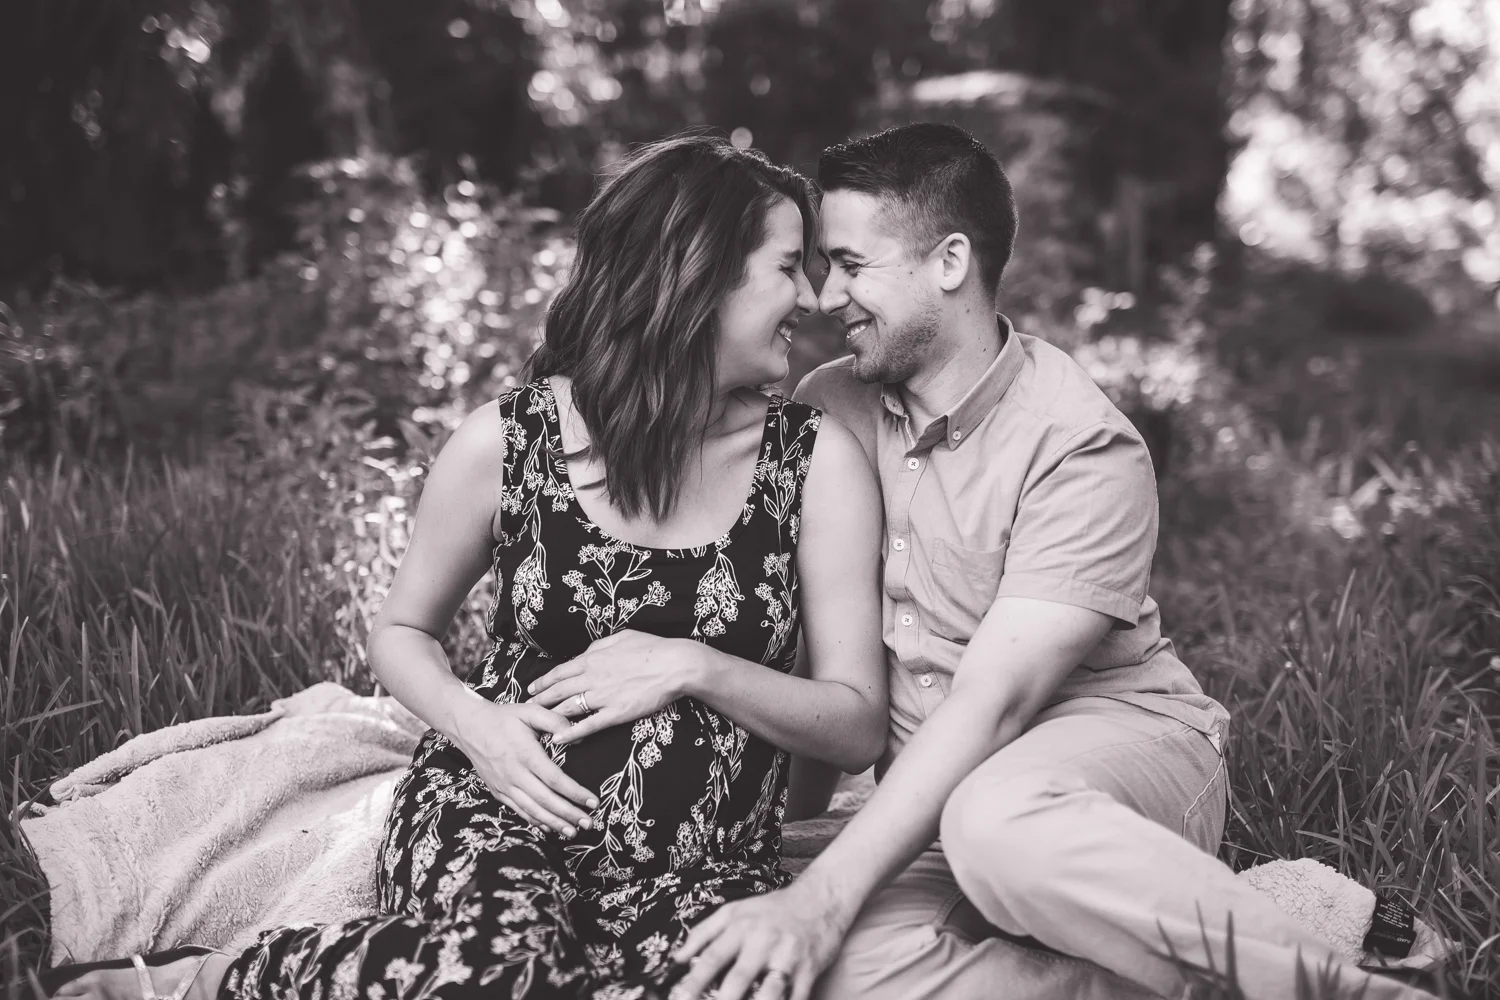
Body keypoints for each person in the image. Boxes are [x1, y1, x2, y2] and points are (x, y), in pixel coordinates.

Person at [41, 133, 887, 1000]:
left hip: (701, 864)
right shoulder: (509, 443)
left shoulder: (813, 463)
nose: (813, 297)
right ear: (696, 276)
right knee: (509, 972)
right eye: (789, 267)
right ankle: (200, 982)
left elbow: (858, 722)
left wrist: (694, 666)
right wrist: (478, 728)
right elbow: (402, 631)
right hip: (494, 813)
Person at [620, 124, 1436, 1000]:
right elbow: (822, 650)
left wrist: (823, 895)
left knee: (997, 822)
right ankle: (1183, 960)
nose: (825, 297)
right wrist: (784, 855)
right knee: (826, 973)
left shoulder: (1079, 446)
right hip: (940, 803)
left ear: (950, 262)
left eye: (852, 265)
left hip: (1110, 758)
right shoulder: (832, 407)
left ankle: (1339, 989)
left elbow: (997, 703)